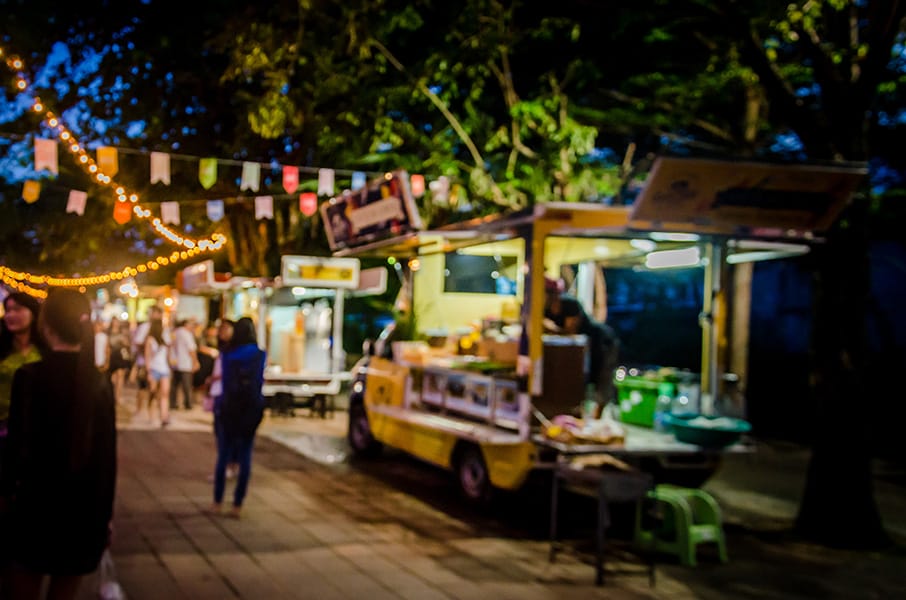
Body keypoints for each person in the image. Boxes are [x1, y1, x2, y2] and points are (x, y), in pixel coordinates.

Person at [0, 289, 116, 600]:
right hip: (82, 509)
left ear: (45, 325)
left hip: (34, 505)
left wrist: (5, 493)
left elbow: (16, 447)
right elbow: (107, 460)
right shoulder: (98, 381)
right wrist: (105, 517)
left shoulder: (31, 376)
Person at [209, 317, 265, 519]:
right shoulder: (259, 355)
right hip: (251, 410)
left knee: (223, 455)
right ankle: (237, 505)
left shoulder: (228, 355)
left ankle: (217, 501)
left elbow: (225, 382)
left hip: (228, 409)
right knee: (245, 456)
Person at [543, 276, 620, 408]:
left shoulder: (568, 303)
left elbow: (570, 330)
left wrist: (551, 328)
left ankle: (599, 419)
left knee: (602, 378)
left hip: (602, 340)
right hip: (583, 348)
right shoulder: (545, 309)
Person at [0, 293, 44, 474]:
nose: (11, 315)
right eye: (8, 310)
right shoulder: (2, 349)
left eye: (17, 309)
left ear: (33, 313)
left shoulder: (44, 350)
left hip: (35, 430)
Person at [143, 318, 172, 427]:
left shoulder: (165, 339)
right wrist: (148, 372)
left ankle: (164, 416)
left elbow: (168, 354)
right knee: (153, 393)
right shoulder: (150, 340)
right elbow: (147, 356)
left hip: (164, 369)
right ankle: (151, 414)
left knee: (164, 394)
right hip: (154, 369)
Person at [169, 319, 199, 411]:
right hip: (185, 363)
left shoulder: (174, 332)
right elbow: (191, 349)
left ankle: (173, 403)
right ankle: (188, 403)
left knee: (174, 385)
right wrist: (195, 361)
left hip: (175, 362)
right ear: (186, 324)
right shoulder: (187, 334)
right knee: (186, 385)